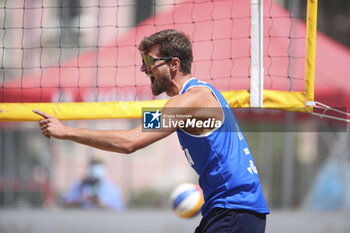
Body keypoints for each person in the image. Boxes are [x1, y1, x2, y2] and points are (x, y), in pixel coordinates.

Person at [33, 29, 269, 232]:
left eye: (150, 62)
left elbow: (129, 141)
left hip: (234, 210)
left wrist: (66, 131)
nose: (144, 69)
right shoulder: (203, 93)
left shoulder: (188, 101)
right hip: (234, 210)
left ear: (174, 64)